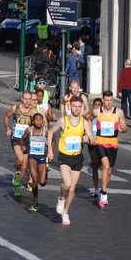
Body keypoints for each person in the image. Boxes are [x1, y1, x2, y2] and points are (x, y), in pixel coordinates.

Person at [47, 95, 94, 226]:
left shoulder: (84, 122)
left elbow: (93, 139)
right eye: (74, 106)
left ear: (82, 108)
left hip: (77, 158)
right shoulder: (63, 121)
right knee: (67, 184)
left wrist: (87, 137)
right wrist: (50, 150)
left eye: (79, 107)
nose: (77, 109)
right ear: (70, 107)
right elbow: (51, 132)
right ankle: (61, 198)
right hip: (64, 156)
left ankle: (66, 212)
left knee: (72, 189)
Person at [92, 90, 127, 208]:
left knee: (110, 171)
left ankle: (103, 189)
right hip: (100, 143)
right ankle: (104, 193)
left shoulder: (119, 112)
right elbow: (88, 119)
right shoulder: (97, 111)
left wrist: (123, 128)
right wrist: (89, 134)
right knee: (105, 166)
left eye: (111, 100)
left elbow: (124, 127)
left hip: (113, 144)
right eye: (106, 100)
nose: (108, 103)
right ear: (103, 100)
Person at [4, 91, 42, 197]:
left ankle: (17, 184)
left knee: (24, 166)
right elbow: (6, 116)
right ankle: (16, 172)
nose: (27, 101)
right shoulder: (15, 108)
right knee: (20, 159)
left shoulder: (33, 111)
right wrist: (7, 128)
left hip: (27, 140)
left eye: (29, 99)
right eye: (25, 99)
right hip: (16, 138)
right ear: (21, 98)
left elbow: (38, 124)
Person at [20, 113, 49, 211]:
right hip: (32, 156)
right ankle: (35, 201)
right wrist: (22, 146)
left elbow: (53, 140)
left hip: (42, 157)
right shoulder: (29, 130)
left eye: (41, 120)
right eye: (37, 120)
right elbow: (22, 139)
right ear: (33, 121)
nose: (39, 122)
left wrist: (50, 151)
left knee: (43, 182)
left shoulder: (46, 131)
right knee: (34, 179)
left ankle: (45, 174)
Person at [86, 97, 103, 198]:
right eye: (95, 105)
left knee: (100, 163)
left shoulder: (103, 117)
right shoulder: (90, 118)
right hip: (92, 143)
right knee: (96, 165)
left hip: (102, 143)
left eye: (98, 105)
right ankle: (96, 189)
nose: (96, 107)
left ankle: (91, 164)